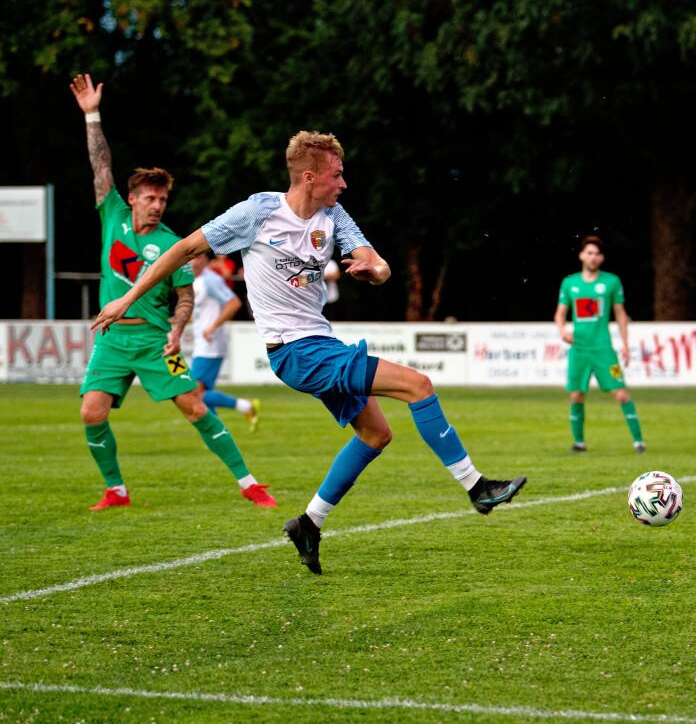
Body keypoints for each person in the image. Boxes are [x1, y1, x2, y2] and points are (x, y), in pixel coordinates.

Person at [91, 129, 526, 573]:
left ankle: (308, 522)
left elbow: (379, 263)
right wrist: (126, 299)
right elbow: (184, 248)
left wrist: (373, 270)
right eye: (337, 175)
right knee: (418, 385)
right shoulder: (257, 212)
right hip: (295, 352)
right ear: (308, 176)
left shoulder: (333, 214)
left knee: (377, 434)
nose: (343, 184)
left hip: (320, 343)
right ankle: (477, 488)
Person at [70, 73, 276, 510]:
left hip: (157, 340)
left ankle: (249, 483)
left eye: (162, 198)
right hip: (111, 340)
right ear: (132, 198)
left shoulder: (172, 244)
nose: (158, 204)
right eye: (150, 197)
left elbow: (186, 297)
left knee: (196, 406)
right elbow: (100, 165)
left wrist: (177, 330)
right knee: (91, 413)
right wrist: (92, 115)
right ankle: (116, 491)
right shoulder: (112, 215)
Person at [554, 235, 646, 454]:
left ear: (602, 258)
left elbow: (620, 313)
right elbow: (559, 314)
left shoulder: (611, 282)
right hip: (580, 349)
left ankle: (639, 441)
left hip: (603, 348)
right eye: (589, 253)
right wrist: (563, 330)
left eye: (597, 254)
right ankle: (579, 442)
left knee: (621, 393)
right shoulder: (570, 283)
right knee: (576, 394)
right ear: (581, 255)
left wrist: (625, 344)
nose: (592, 257)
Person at [190, 252, 261, 429]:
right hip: (202, 343)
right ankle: (217, 432)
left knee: (195, 393)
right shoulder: (195, 281)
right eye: (190, 258)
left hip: (211, 343)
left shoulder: (210, 280)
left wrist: (213, 327)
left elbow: (234, 303)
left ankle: (246, 406)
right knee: (201, 394)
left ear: (205, 259)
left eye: (197, 257)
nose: (192, 262)